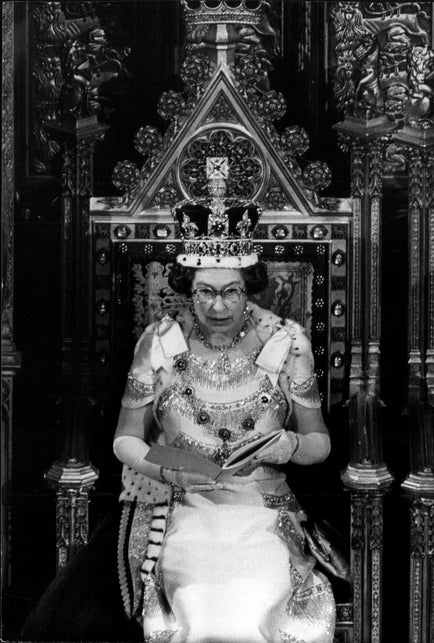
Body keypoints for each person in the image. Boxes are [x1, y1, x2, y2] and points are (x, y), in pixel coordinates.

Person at [112, 190, 336, 642]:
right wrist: (170, 472)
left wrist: (287, 445)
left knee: (253, 602)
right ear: (186, 287)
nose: (218, 307)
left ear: (249, 286)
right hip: (185, 509)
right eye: (205, 292)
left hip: (263, 512)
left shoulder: (286, 345)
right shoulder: (158, 344)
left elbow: (320, 445)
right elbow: (126, 440)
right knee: (204, 608)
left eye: (231, 292)